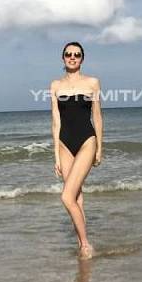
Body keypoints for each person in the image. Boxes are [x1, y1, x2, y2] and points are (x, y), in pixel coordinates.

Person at [50, 42, 103, 259]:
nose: (72, 57)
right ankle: (82, 244)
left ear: (82, 58)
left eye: (77, 54)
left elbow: (97, 117)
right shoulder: (55, 85)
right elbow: (56, 122)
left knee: (66, 196)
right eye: (68, 54)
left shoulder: (92, 83)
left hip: (86, 141)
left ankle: (86, 245)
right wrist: (56, 154)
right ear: (63, 58)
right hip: (64, 143)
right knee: (76, 197)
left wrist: (100, 148)